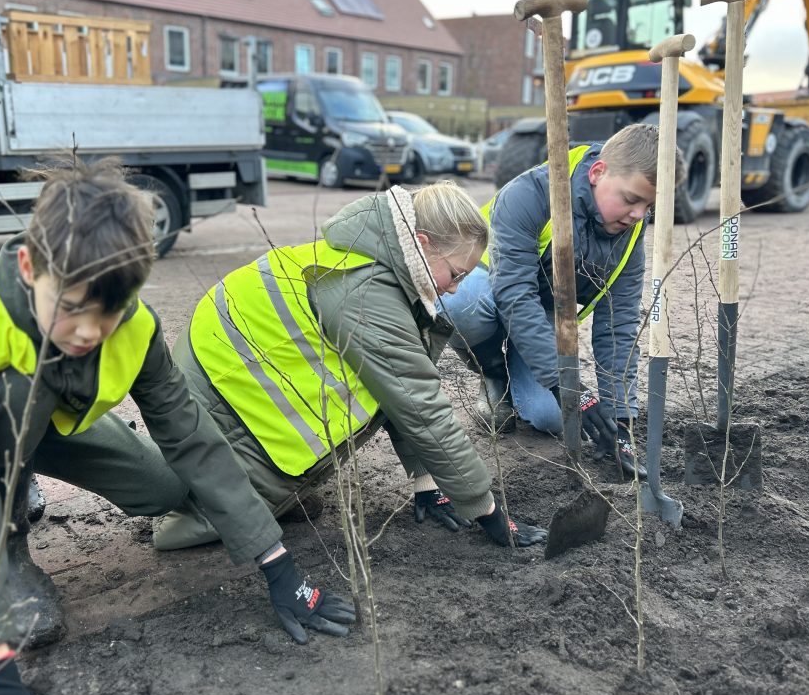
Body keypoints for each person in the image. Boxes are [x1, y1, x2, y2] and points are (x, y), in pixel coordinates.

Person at [0, 159, 354, 695]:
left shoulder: (135, 323)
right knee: (17, 400)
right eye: (70, 309)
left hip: (36, 411)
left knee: (162, 486)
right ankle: (9, 548)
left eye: (108, 313)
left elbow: (192, 438)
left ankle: (25, 463)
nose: (89, 332)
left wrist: (276, 564)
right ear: (26, 266)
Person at [153, 181, 548, 554]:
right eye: (457, 273)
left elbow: (401, 387)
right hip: (212, 424)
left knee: (298, 497)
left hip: (222, 406)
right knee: (204, 523)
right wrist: (488, 511)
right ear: (423, 244)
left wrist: (429, 481)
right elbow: (419, 405)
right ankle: (190, 501)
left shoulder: (377, 263)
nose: (456, 288)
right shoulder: (365, 292)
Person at [443, 123, 685, 480]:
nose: (638, 215)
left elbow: (617, 324)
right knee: (462, 304)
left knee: (551, 417)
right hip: (487, 287)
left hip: (540, 319)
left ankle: (522, 379)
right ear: (598, 172)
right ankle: (493, 373)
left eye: (649, 206)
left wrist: (619, 419)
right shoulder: (532, 193)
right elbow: (513, 294)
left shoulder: (630, 235)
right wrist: (568, 384)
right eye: (632, 199)